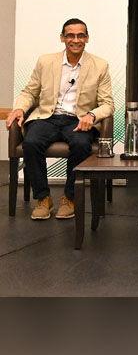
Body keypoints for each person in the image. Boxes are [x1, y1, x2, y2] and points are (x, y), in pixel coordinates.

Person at [5, 18, 114, 220]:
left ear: (87, 38)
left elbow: (108, 103)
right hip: (48, 117)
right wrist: (20, 108)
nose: (75, 39)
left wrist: (92, 115)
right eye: (70, 35)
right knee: (31, 142)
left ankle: (69, 198)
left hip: (78, 119)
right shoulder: (46, 61)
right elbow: (30, 92)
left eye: (80, 35)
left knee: (81, 144)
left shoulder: (99, 65)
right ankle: (43, 198)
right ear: (62, 38)